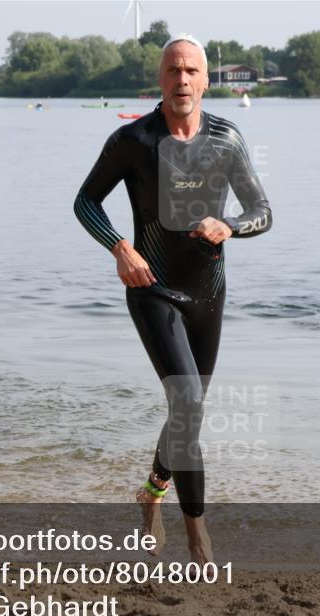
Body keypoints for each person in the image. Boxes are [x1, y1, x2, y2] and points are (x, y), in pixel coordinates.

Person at [73, 34, 272, 563]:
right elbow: (85, 200)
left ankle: (152, 492)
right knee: (185, 401)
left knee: (190, 413)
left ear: (206, 80)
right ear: (160, 79)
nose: (182, 80)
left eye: (191, 71)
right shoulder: (133, 140)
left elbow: (263, 211)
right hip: (151, 287)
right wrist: (120, 249)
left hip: (208, 294)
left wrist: (229, 226)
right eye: (172, 71)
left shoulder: (227, 140)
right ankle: (198, 537)